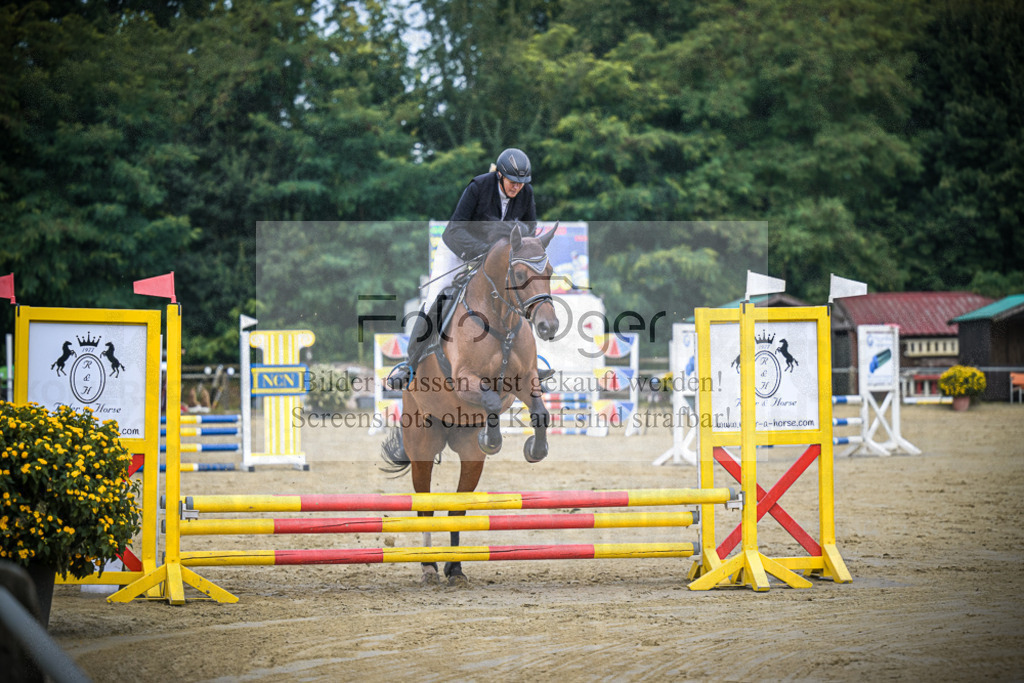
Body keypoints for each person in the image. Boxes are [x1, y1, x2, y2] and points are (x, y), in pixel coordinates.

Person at [387, 148, 540, 390]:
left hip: (494, 258)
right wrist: (484, 249)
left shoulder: (525, 192)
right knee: (436, 297)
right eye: (513, 182)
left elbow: (531, 229)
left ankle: (532, 365)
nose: (517, 187)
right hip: (458, 250)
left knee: (520, 295)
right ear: (500, 175)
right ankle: (410, 364)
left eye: (522, 183)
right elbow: (456, 229)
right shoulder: (478, 187)